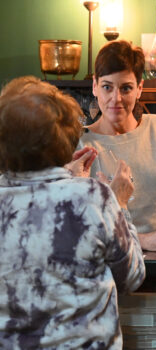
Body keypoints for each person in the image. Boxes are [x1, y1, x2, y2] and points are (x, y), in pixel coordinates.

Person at [0, 76, 145, 349]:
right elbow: (132, 277)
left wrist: (66, 177)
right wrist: (120, 203)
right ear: (64, 136)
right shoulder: (92, 197)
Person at [78, 40, 156, 252]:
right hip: (114, 265)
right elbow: (79, 226)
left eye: (126, 88)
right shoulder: (81, 144)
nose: (116, 98)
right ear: (94, 86)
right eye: (107, 87)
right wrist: (143, 240)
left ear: (139, 89)